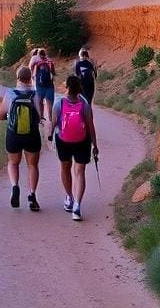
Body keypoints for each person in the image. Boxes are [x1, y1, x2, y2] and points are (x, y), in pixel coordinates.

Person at [48, 75, 99, 221]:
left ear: (67, 87)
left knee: (65, 167)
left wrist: (50, 136)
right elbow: (90, 126)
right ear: (79, 89)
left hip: (63, 140)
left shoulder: (59, 103)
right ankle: (77, 205)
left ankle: (69, 198)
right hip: (82, 141)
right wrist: (95, 145)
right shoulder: (85, 105)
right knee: (80, 171)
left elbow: (53, 123)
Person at [0, 66, 42, 211]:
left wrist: (3, 116)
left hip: (13, 134)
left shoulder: (10, 93)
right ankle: (32, 195)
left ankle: (15, 187)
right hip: (32, 135)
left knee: (13, 163)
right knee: (32, 166)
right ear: (30, 78)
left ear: (18, 78)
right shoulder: (35, 94)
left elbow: (1, 114)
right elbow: (40, 116)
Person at [32, 48, 56, 122]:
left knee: (40, 102)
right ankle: (51, 119)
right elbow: (53, 73)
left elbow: (33, 74)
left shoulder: (36, 62)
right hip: (50, 86)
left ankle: (41, 117)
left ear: (38, 55)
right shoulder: (50, 62)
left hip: (40, 86)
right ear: (45, 54)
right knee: (50, 103)